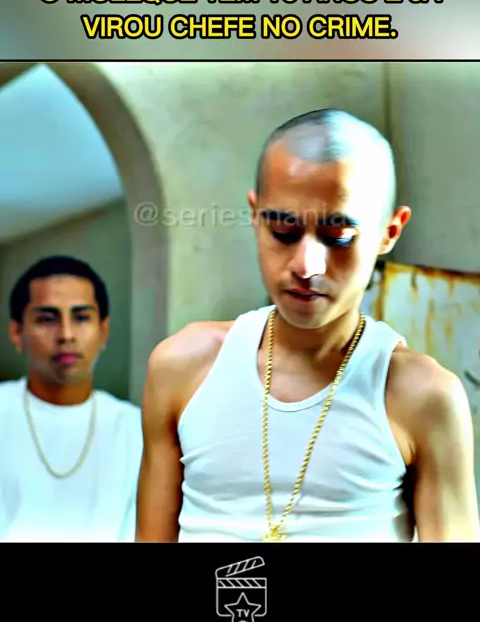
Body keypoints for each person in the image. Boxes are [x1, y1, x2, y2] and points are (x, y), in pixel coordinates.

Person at [136, 108, 479, 543]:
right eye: (284, 230)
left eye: (338, 237)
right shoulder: (182, 367)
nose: (307, 266)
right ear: (256, 215)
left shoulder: (423, 396)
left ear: (389, 232)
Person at [0, 255, 143, 542]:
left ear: (104, 330)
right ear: (17, 333)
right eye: (47, 319)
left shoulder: (135, 429)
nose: (66, 335)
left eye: (81, 318)